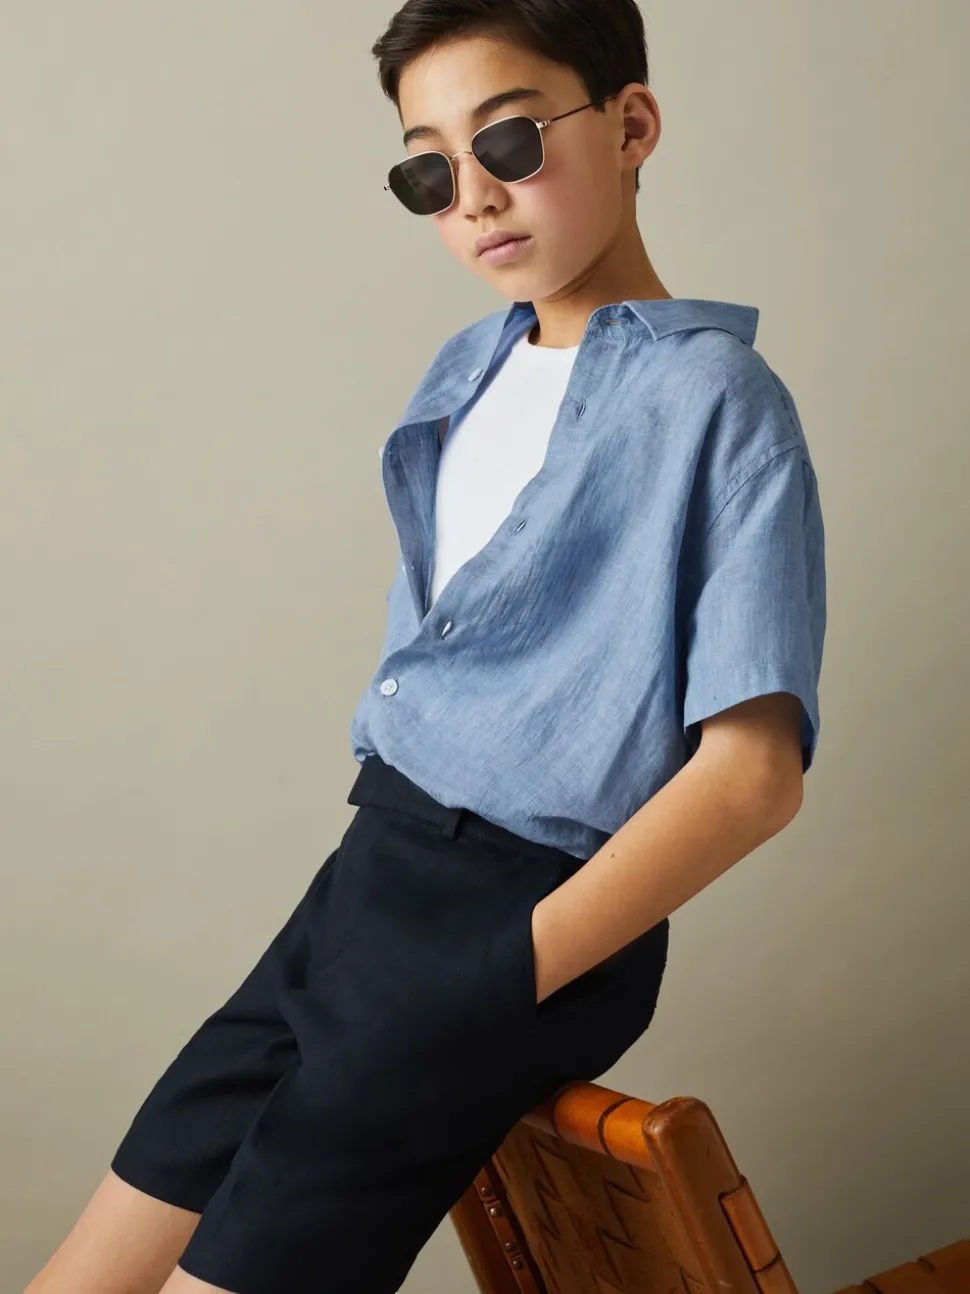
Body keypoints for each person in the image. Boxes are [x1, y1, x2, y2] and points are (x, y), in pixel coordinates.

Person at [24, 2, 826, 1292]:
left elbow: (753, 777)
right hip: (364, 881)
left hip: (510, 910)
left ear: (632, 124)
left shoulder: (717, 402)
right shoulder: (468, 370)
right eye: (429, 171)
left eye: (509, 142)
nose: (475, 197)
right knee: (88, 1268)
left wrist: (502, 976)